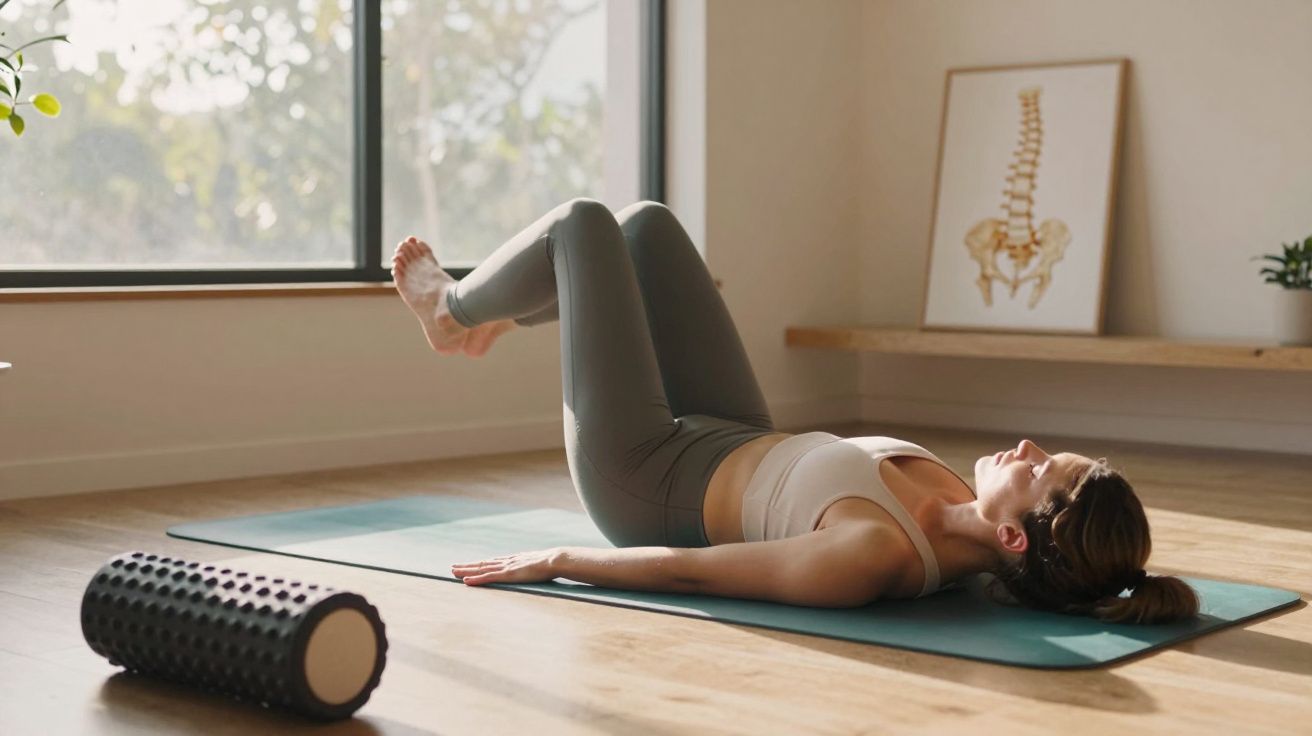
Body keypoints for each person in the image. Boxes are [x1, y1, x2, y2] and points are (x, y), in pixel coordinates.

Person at [390, 198, 1200, 625]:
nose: (1025, 446)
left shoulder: (872, 557)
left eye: (1036, 466)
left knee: (583, 224)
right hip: (735, 432)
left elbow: (687, 569)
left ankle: (452, 313)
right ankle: (511, 306)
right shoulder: (966, 505)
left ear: (1015, 535)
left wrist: (560, 557)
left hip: (643, 474)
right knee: (647, 228)